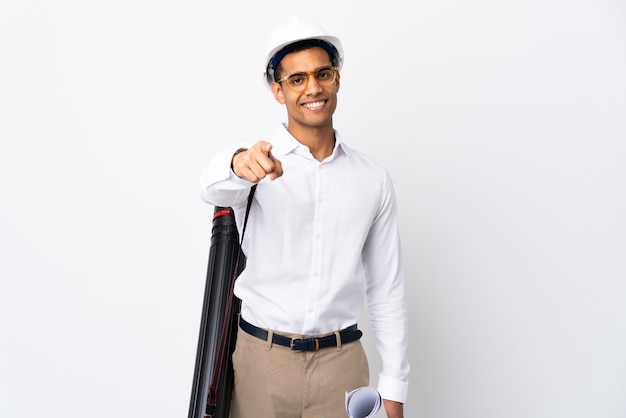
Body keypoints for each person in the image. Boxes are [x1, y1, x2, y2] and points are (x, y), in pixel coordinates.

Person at [199, 17, 409, 418]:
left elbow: (387, 288)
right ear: (278, 90)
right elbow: (210, 187)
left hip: (342, 366)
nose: (313, 88)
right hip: (263, 361)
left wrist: (395, 385)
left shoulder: (372, 179)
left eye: (322, 74)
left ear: (337, 80)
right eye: (297, 79)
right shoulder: (257, 165)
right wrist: (237, 162)